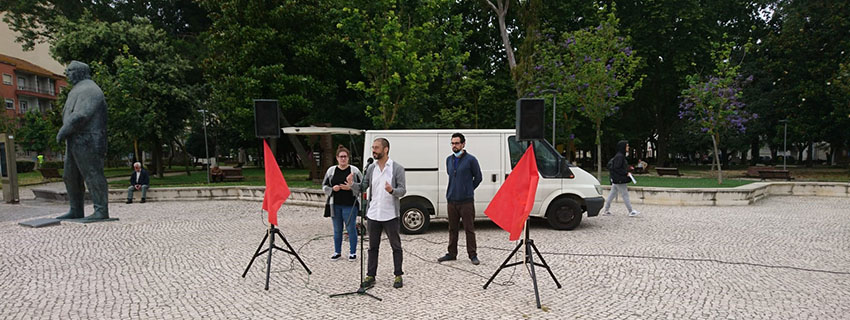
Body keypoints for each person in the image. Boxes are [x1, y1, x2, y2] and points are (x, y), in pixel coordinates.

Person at [55, 61, 110, 220]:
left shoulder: (91, 89)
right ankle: (76, 209)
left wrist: (63, 131)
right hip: (75, 140)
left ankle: (101, 210)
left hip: (89, 139)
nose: (68, 74)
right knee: (70, 176)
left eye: (71, 71)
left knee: (92, 174)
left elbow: (81, 115)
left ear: (81, 72)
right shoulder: (76, 90)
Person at [352, 137, 407, 289]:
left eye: (376, 147)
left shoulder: (396, 168)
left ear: (385, 149)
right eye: (373, 148)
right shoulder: (371, 168)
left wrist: (392, 190)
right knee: (372, 247)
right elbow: (363, 186)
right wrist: (351, 185)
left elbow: (402, 190)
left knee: (395, 246)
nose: (374, 150)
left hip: (390, 214)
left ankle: (398, 275)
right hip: (373, 213)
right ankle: (370, 275)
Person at [437, 133, 483, 265]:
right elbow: (451, 175)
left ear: (463, 144)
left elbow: (478, 177)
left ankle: (472, 254)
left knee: (469, 229)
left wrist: (468, 189)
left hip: (466, 201)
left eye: (457, 143)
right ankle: (452, 253)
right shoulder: (449, 160)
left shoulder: (471, 160)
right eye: (452, 143)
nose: (454, 146)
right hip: (452, 200)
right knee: (452, 228)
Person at [322, 145, 363, 262]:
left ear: (348, 158)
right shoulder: (331, 171)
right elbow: (324, 186)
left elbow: (362, 186)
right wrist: (332, 189)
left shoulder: (354, 171)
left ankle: (353, 252)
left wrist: (350, 187)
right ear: (337, 158)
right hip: (335, 204)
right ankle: (337, 252)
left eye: (345, 157)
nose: (343, 159)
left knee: (351, 228)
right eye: (341, 157)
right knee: (337, 229)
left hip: (350, 204)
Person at [604, 140, 640, 217]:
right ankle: (631, 211)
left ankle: (606, 210)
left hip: (616, 178)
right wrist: (625, 173)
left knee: (612, 193)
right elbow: (617, 168)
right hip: (619, 179)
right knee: (625, 194)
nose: (628, 147)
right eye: (627, 146)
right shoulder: (620, 156)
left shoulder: (619, 156)